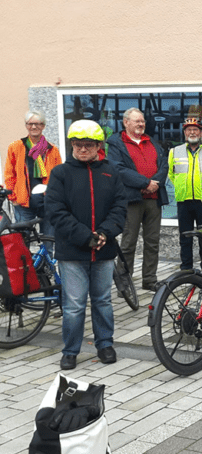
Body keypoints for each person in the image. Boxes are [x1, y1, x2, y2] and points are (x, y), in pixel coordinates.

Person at [45, 120, 127, 370]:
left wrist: (104, 233)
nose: (82, 149)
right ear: (71, 145)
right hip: (72, 251)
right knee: (74, 305)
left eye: (88, 145)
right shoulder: (60, 173)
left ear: (98, 146)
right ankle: (70, 350)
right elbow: (56, 211)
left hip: (103, 249)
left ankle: (105, 344)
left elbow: (120, 208)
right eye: (78, 145)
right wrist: (85, 236)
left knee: (102, 300)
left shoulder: (111, 171)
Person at [106, 108, 169, 291]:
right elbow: (118, 169)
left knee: (153, 242)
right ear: (126, 122)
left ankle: (149, 280)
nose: (141, 124)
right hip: (132, 200)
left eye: (142, 121)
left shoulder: (152, 142)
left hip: (153, 199)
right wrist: (145, 182)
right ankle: (124, 284)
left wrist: (155, 183)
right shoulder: (117, 144)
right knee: (128, 243)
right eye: (137, 121)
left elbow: (164, 165)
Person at [4, 110, 62, 242]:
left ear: (43, 126)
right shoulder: (16, 147)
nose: (34, 127)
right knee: (23, 242)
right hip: (24, 203)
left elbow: (59, 176)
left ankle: (47, 263)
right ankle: (25, 263)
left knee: (49, 240)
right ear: (26, 125)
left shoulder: (52, 149)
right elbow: (9, 174)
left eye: (38, 124)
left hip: (46, 202)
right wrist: (13, 197)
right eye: (30, 124)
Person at [168, 117, 202, 270]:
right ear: (184, 133)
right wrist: (182, 188)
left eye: (195, 129)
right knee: (185, 237)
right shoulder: (174, 152)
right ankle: (186, 268)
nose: (192, 132)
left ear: (201, 133)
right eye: (189, 129)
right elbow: (171, 174)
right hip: (184, 201)